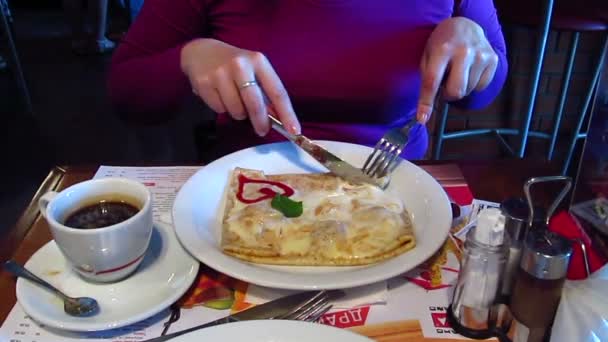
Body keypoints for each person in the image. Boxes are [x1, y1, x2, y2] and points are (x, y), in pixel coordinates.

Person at [108, 0, 507, 160]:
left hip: (396, 188)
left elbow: (479, 95)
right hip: (247, 185)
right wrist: (187, 58)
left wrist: (470, 42)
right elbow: (126, 91)